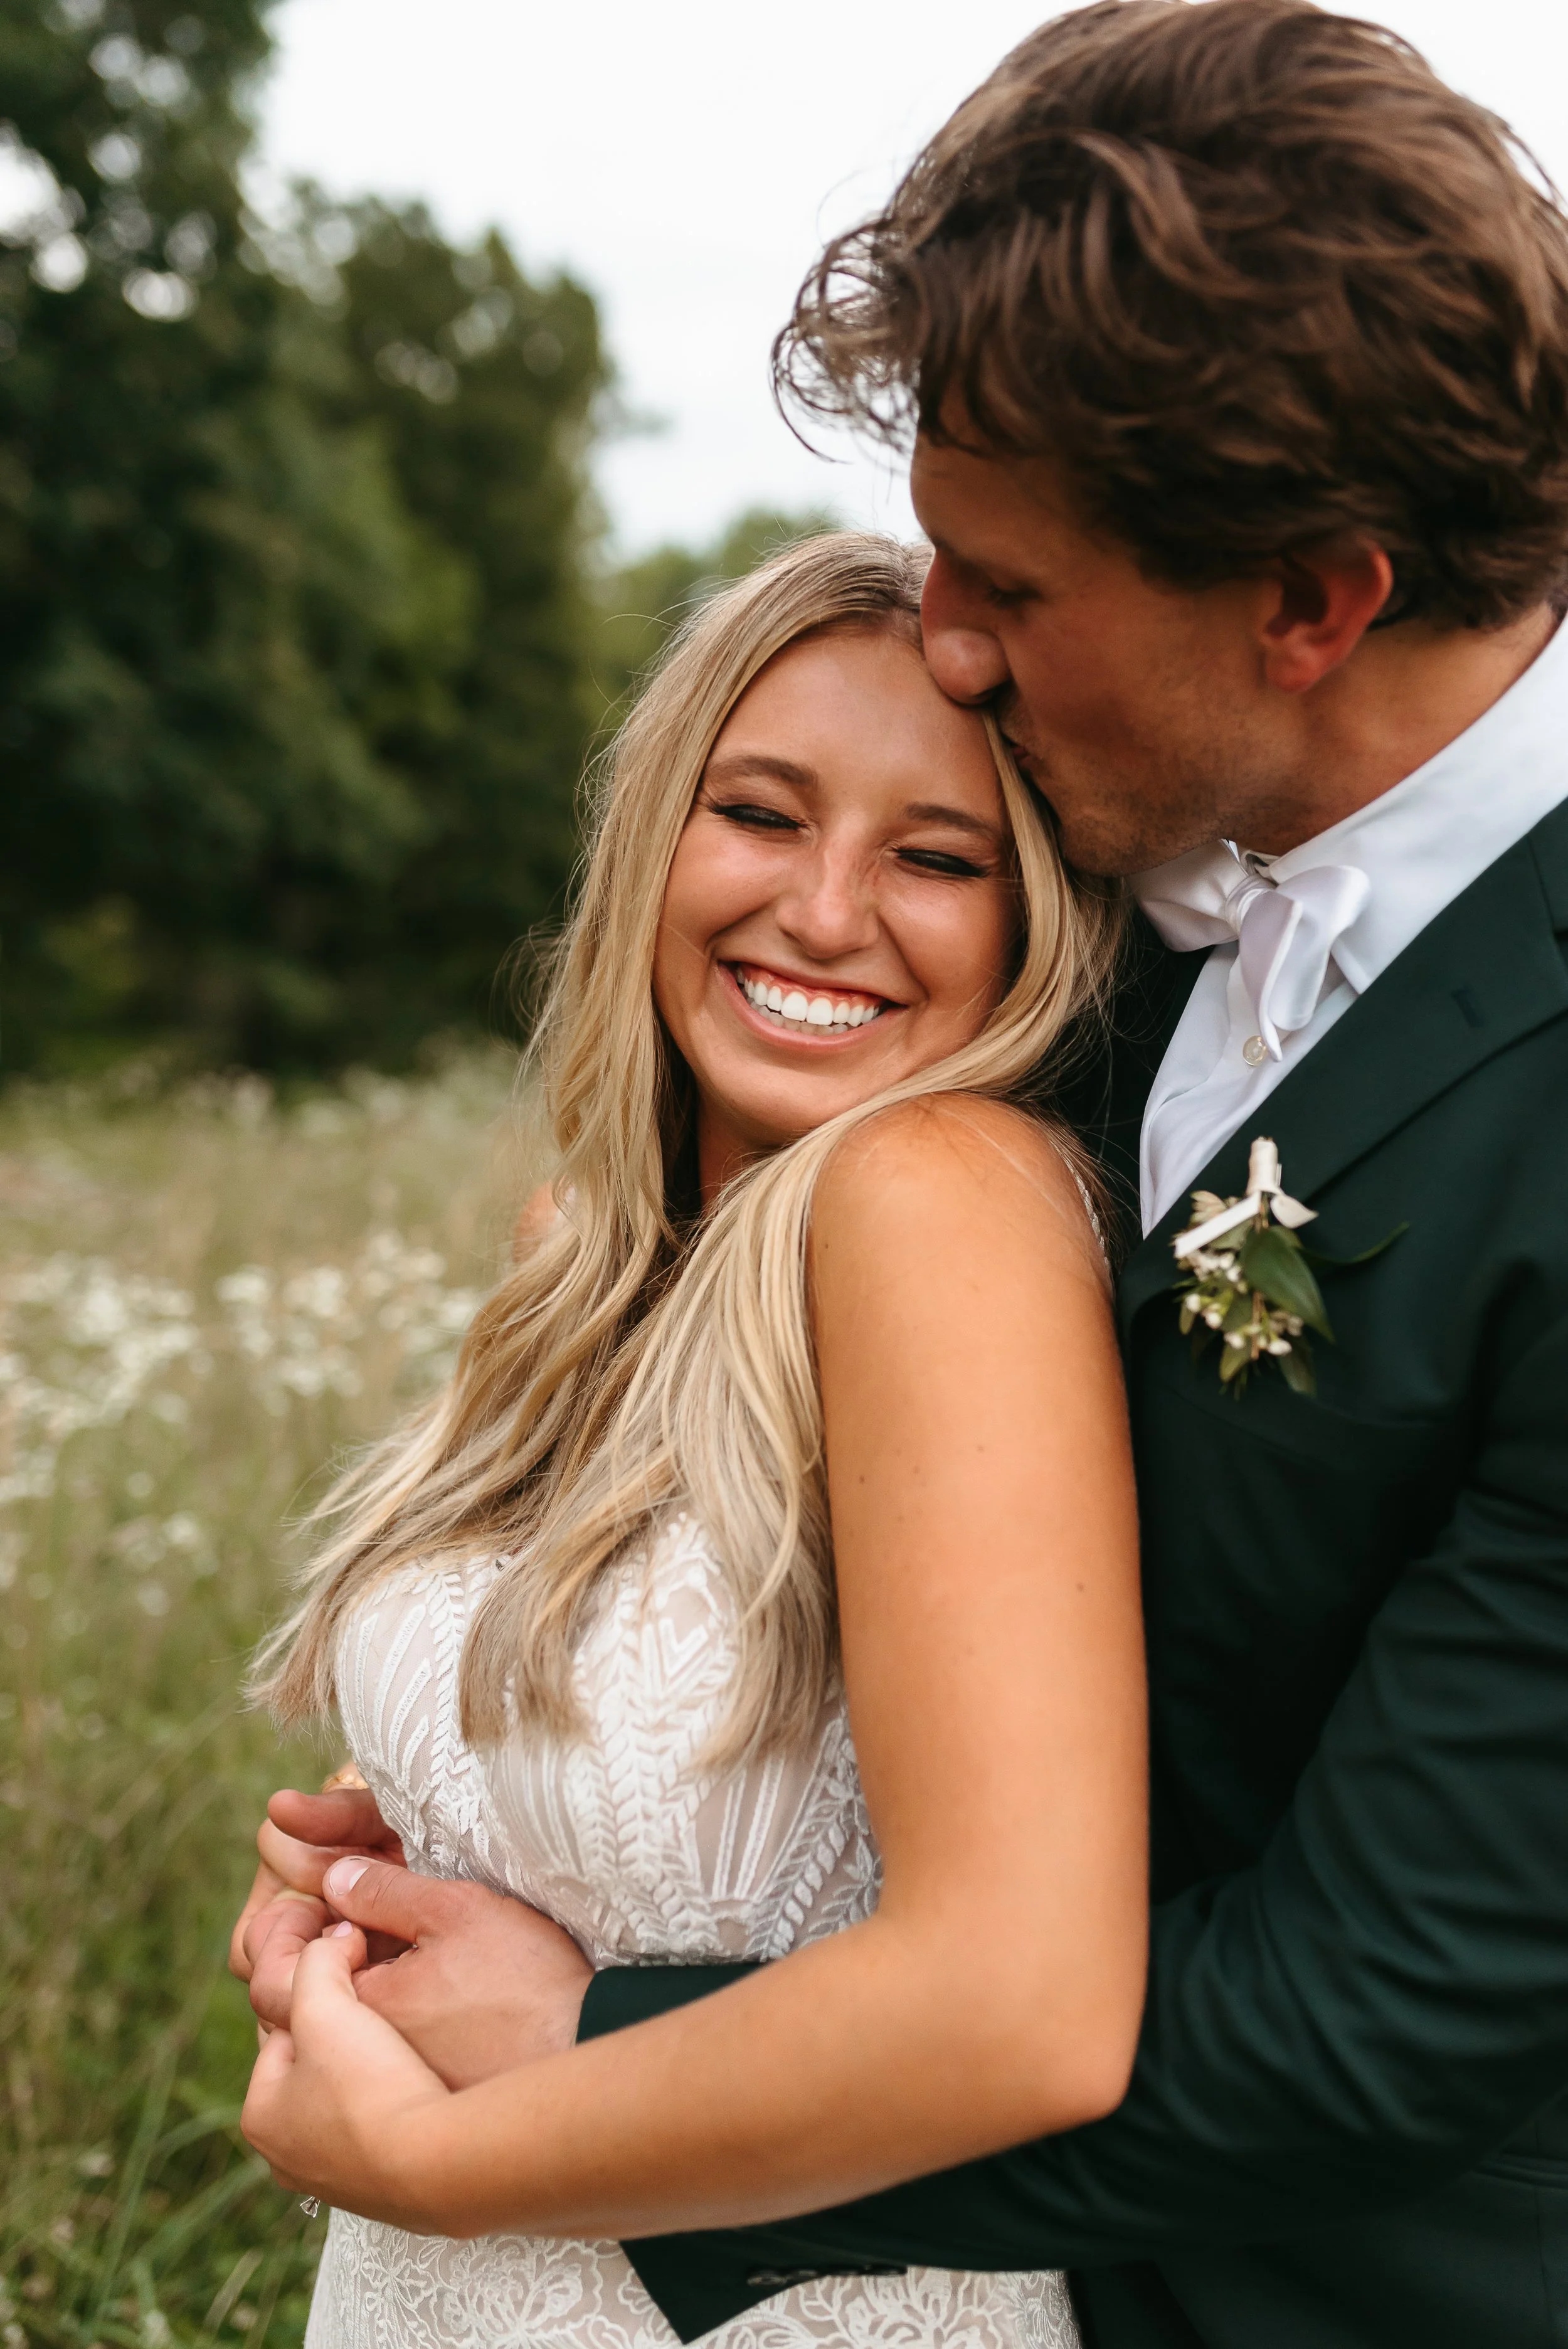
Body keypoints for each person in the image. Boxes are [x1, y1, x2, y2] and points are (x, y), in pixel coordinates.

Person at [239, 1, 1568, 2341]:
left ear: (1314, 600)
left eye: (1008, 590)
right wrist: (456, 1851)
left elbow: (1385, 2002)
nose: (940, 639)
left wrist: (540, 2104)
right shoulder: (1115, 883)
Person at [237, 529, 1146, 2349]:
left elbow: (1006, 1999)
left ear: (1036, 919)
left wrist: (435, 2140)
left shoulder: (946, 1199)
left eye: (936, 855)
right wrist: (347, 1912)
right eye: (758, 812)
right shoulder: (583, 1248)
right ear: (655, 829)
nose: (821, 912)